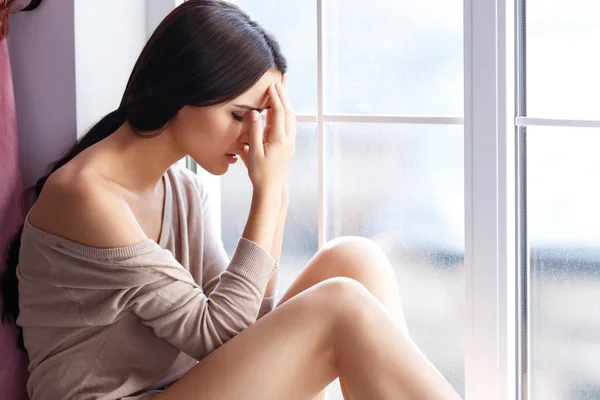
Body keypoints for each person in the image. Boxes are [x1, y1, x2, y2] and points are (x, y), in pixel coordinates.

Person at [0, 1, 462, 399]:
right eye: (240, 115)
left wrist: (274, 194)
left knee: (354, 259)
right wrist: (269, 190)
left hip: (186, 385)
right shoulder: (85, 196)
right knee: (340, 304)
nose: (251, 137)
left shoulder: (182, 189)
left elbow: (245, 325)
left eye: (261, 119)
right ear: (184, 91)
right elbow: (218, 334)